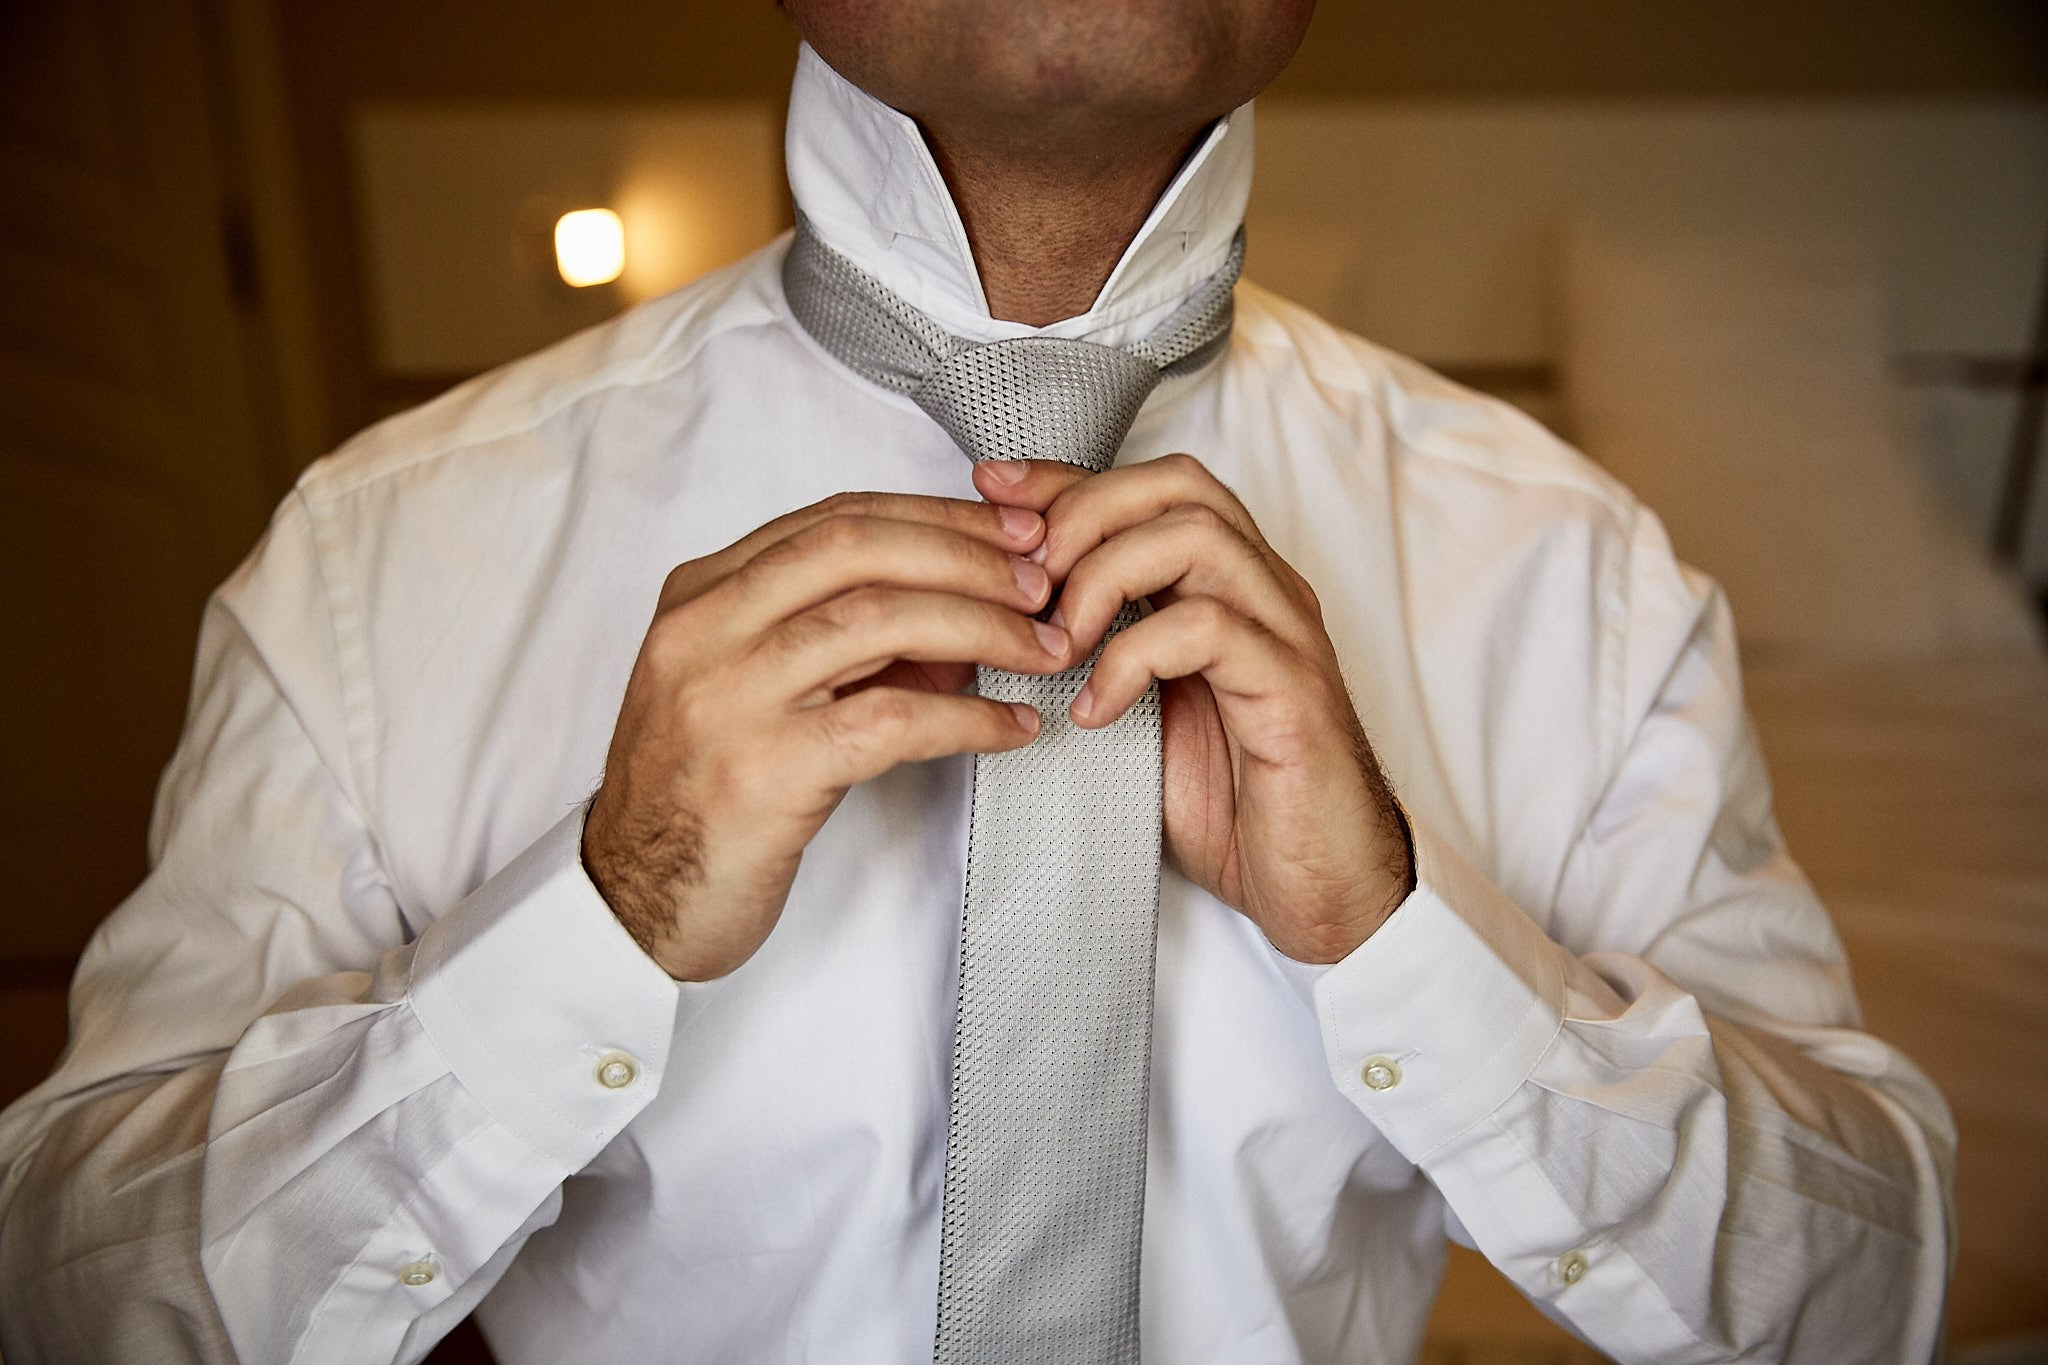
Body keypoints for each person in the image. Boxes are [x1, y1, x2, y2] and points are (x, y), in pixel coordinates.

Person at [0, 3, 1954, 1362]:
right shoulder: (378, 554)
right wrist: (596, 918)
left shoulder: (1579, 574)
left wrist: (1412, 940)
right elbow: (74, 1303)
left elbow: (1864, 1306)